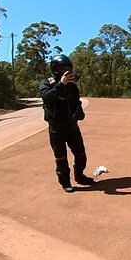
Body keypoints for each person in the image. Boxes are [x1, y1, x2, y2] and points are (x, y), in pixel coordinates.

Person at [39, 54, 94, 193]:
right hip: (56, 128)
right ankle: (65, 182)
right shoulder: (47, 83)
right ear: (55, 69)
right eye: (63, 69)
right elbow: (47, 98)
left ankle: (80, 176)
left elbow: (77, 103)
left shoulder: (72, 87)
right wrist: (60, 84)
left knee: (80, 154)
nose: (66, 72)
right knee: (61, 157)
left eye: (68, 69)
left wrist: (79, 113)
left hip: (72, 126)